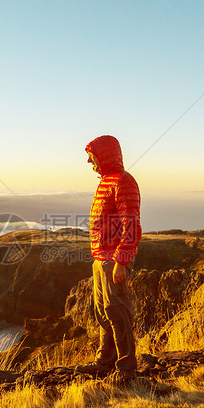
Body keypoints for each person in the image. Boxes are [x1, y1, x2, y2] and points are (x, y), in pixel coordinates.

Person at [76, 135, 142, 381]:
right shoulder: (108, 181)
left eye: (92, 156)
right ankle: (105, 362)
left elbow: (131, 223)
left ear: (104, 156)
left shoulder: (123, 181)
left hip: (114, 260)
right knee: (103, 312)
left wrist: (122, 261)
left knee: (117, 311)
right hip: (102, 259)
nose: (89, 161)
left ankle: (126, 369)